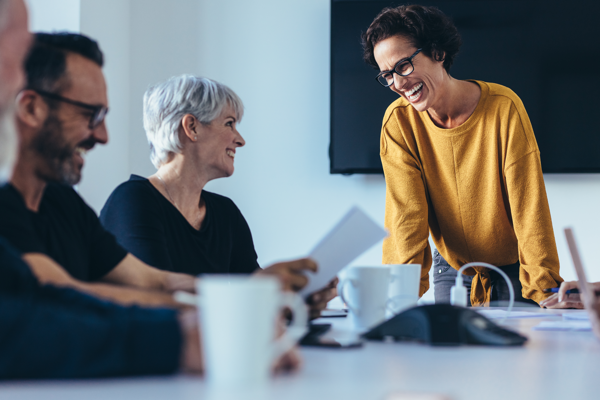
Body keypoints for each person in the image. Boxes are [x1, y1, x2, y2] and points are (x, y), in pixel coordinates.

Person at [0, 32, 317, 308]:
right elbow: (64, 295)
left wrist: (270, 296)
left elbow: (156, 283)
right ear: (30, 108)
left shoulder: (64, 204)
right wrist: (242, 300)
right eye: (90, 114)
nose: (103, 135)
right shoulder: (129, 200)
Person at [362, 5, 562, 306]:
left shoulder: (503, 108)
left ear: (437, 53)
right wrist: (399, 300)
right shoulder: (399, 123)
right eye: (387, 75)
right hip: (452, 268)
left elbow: (529, 209)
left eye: (403, 66)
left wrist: (546, 291)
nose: (398, 84)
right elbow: (406, 217)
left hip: (514, 267)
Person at [100, 75, 337, 319]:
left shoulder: (225, 213)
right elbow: (157, 305)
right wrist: (261, 297)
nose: (240, 140)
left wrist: (296, 304)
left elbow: (255, 298)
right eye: (229, 123)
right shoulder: (133, 201)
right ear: (191, 127)